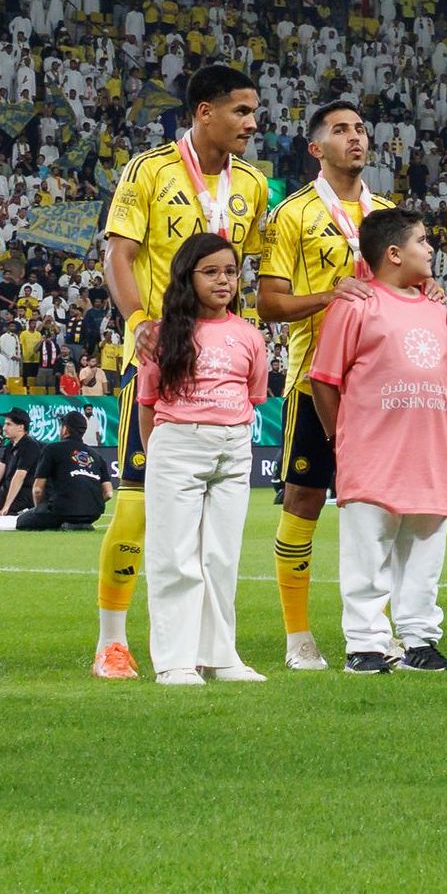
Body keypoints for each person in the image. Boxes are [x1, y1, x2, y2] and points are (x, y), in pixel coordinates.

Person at [95, 61, 273, 678]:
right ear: (205, 113)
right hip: (160, 358)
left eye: (254, 111)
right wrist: (140, 321)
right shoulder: (149, 171)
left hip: (220, 367)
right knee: (139, 504)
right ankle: (112, 641)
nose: (253, 122)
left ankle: (214, 650)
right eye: (242, 111)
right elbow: (119, 252)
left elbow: (249, 269)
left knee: (219, 539)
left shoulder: (252, 184)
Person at [304, 206, 447, 673]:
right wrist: (342, 438)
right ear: (394, 254)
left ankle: (418, 640)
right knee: (367, 554)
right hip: (371, 454)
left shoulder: (436, 306)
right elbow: (323, 379)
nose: (431, 248)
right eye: (422, 241)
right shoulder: (354, 305)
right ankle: (366, 644)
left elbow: (444, 386)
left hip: (428, 452)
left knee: (424, 553)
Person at [256, 97, 384, 669]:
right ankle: (297, 635)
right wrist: (329, 295)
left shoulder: (387, 216)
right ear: (316, 148)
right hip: (315, 382)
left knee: (385, 506)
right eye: (340, 130)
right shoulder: (294, 214)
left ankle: (380, 630)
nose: (355, 137)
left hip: (380, 386)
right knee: (305, 499)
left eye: (360, 128)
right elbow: (268, 302)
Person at [131, 227, 272, 687]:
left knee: (221, 557)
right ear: (186, 278)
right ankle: (175, 660)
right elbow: (148, 404)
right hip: (178, 445)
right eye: (210, 271)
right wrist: (159, 457)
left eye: (230, 271)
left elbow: (253, 396)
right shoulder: (159, 335)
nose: (223, 281)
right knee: (174, 555)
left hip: (233, 447)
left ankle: (220, 655)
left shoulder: (250, 336)